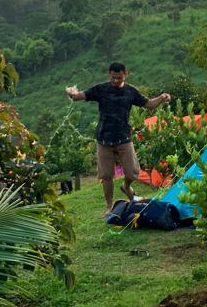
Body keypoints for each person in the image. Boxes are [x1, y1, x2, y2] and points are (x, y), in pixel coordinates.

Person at [65, 62, 171, 217]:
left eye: (119, 78)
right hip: (104, 140)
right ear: (109, 74)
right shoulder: (101, 89)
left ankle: (126, 187)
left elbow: (149, 105)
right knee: (106, 176)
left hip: (124, 139)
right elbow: (80, 96)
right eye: (113, 78)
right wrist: (72, 93)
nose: (115, 81)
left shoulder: (131, 91)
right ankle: (109, 207)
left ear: (125, 74)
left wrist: (162, 97)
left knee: (132, 173)